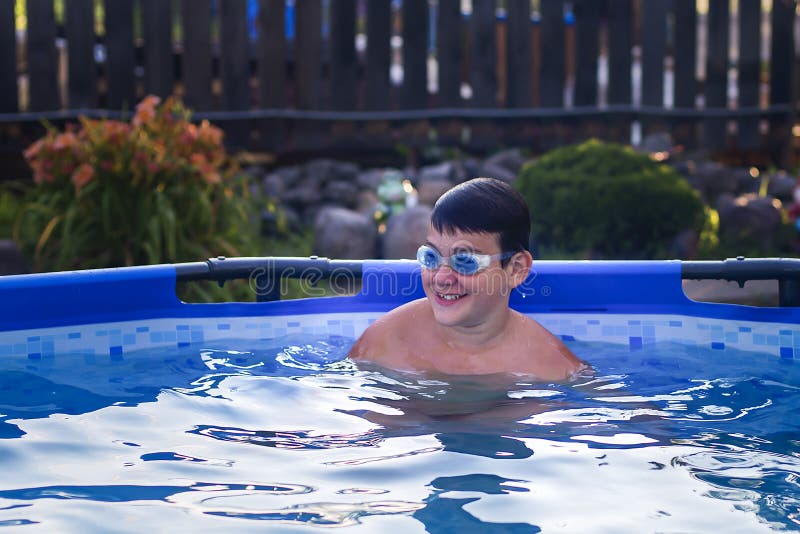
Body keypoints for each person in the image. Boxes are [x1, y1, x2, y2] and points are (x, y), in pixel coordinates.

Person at [349, 177, 586, 381]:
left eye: (465, 262)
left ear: (515, 269)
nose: (442, 278)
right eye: (431, 257)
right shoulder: (385, 342)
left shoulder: (551, 367)